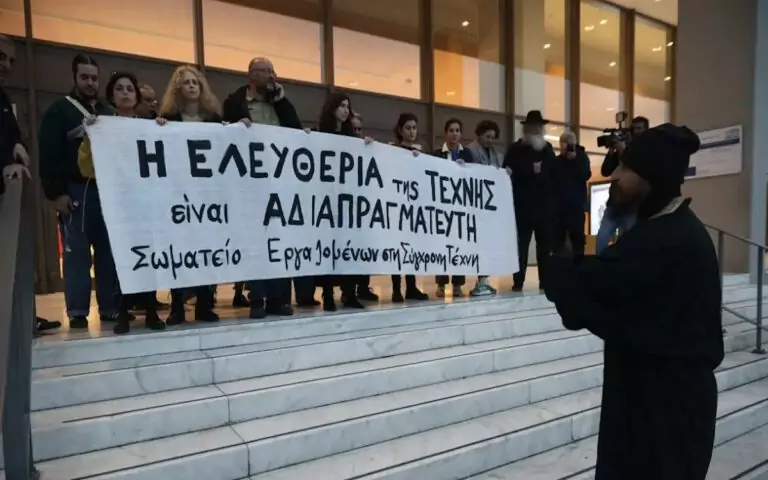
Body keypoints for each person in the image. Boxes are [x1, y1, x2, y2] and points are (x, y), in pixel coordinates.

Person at [542, 123, 722, 479]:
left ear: (652, 178)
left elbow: (595, 285)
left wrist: (552, 262)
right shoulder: (668, 227)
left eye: (627, 168)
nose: (615, 176)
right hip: (652, 405)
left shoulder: (668, 238)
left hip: (664, 421)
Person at [78, 72, 166, 334]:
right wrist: (90, 137)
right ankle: (122, 312)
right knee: (119, 258)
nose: (125, 93)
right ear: (111, 96)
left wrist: (163, 128)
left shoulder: (149, 126)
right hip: (117, 203)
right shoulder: (101, 126)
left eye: (130, 89)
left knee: (147, 254)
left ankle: (150, 308)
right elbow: (86, 168)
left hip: (145, 202)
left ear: (136, 96)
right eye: (120, 89)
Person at [38, 54, 122, 329]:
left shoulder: (109, 111)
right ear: (74, 77)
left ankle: (110, 307)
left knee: (108, 251)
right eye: (84, 77)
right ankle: (77, 311)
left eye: (94, 78)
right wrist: (55, 194)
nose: (90, 83)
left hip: (107, 190)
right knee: (77, 253)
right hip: (76, 189)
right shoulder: (59, 111)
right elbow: (48, 154)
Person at [221, 56, 297, 319]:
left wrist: (282, 102)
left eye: (273, 71)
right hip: (249, 182)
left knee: (279, 239)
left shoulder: (281, 102)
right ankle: (257, 298)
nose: (271, 75)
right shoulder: (235, 103)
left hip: (278, 181)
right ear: (252, 74)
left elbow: (295, 131)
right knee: (255, 240)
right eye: (265, 71)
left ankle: (278, 298)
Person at [155, 65, 227, 325]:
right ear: (178, 88)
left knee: (207, 248)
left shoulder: (213, 120)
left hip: (207, 196)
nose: (192, 86)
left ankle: (205, 303)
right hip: (179, 195)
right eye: (186, 82)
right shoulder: (169, 119)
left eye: (195, 82)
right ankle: (177, 305)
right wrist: (158, 128)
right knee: (179, 247)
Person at [0, 35, 60, 335]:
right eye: (1, 57)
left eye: (11, 60)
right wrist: (4, 162)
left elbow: (9, 133)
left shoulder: (2, 97)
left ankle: (22, 318)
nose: (7, 65)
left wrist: (17, 145)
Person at [314, 94, 372, 311]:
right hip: (327, 199)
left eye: (348, 106)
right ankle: (328, 294)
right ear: (332, 108)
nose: (346, 110)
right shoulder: (320, 134)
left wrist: (367, 147)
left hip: (348, 201)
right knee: (329, 248)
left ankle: (350, 293)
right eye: (341, 106)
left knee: (349, 246)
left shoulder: (351, 137)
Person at [503, 110, 557, 292]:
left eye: (539, 126)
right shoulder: (515, 149)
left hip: (544, 207)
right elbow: (507, 174)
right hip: (522, 207)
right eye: (533, 126)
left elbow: (554, 175)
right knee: (521, 246)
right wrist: (530, 170)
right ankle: (518, 281)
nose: (536, 129)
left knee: (545, 247)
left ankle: (545, 282)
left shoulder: (548, 149)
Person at [390, 113, 429, 303]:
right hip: (397, 204)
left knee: (412, 246)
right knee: (397, 247)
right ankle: (396, 289)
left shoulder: (421, 152)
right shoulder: (391, 150)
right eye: (408, 128)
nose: (412, 131)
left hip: (414, 205)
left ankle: (411, 287)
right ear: (400, 130)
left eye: (414, 127)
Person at [431, 118, 473, 298]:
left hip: (460, 206)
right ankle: (441, 284)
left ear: (461, 134)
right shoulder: (436, 154)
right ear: (445, 133)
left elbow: (475, 175)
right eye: (451, 130)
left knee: (459, 245)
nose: (454, 134)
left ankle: (457, 284)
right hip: (442, 207)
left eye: (457, 130)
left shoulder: (468, 154)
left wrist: (466, 169)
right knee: (441, 245)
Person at [595, 116, 649, 254]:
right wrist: (611, 152)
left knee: (630, 245)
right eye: (633, 128)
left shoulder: (645, 150)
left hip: (632, 206)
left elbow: (636, 168)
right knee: (601, 241)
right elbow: (605, 171)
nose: (635, 132)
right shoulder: (621, 150)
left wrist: (623, 151)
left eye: (639, 128)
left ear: (646, 130)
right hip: (613, 204)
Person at [466, 120, 502, 297]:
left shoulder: (496, 154)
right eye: (487, 137)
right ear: (479, 135)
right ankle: (480, 279)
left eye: (493, 138)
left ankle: (484, 279)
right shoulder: (470, 151)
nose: (490, 140)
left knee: (488, 244)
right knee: (477, 244)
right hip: (475, 204)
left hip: (489, 205)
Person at [348, 111, 379, 302]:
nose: (357, 132)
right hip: (347, 207)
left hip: (363, 208)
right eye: (354, 129)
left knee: (364, 248)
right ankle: (349, 290)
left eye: (360, 129)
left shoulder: (366, 148)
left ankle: (363, 286)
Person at [552, 131, 591, 259]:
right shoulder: (556, 161)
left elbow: (586, 175)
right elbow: (552, 180)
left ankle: (579, 266)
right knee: (558, 243)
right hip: (559, 209)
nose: (567, 146)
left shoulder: (582, 158)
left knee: (578, 241)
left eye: (570, 143)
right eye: (564, 143)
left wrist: (574, 160)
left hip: (576, 207)